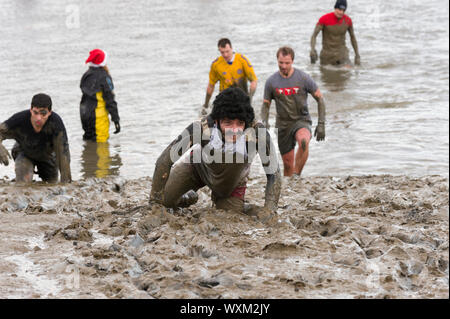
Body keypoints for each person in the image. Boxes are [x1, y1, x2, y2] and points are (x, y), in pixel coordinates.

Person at [151, 87, 281, 218]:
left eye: (239, 124)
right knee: (165, 201)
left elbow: (274, 174)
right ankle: (188, 197)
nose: (234, 131)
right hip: (196, 167)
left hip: (231, 182)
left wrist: (269, 209)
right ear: (217, 121)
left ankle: (235, 204)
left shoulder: (257, 133)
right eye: (228, 123)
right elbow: (165, 159)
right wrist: (154, 203)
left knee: (230, 216)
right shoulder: (202, 127)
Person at [261, 47, 326, 177]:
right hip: (283, 125)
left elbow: (320, 99)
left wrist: (321, 124)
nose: (284, 66)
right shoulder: (271, 82)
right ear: (277, 61)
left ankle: (297, 175)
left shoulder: (303, 78)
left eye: (287, 63)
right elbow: (266, 105)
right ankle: (289, 183)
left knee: (303, 141)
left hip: (301, 120)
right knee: (288, 164)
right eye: (281, 63)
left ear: (292, 61)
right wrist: (264, 123)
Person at [0, 93, 71, 183]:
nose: (38, 118)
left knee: (52, 185)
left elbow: (63, 153)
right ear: (31, 110)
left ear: (49, 112)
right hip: (25, 153)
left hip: (47, 157)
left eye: (43, 113)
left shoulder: (56, 123)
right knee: (23, 183)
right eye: (35, 113)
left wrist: (66, 183)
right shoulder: (19, 119)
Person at [202, 38, 258, 115]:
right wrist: (206, 105)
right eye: (222, 52)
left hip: (241, 97)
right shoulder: (216, 64)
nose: (225, 55)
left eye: (227, 51)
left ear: (231, 48)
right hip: (224, 98)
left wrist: (250, 99)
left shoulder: (242, 60)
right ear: (219, 51)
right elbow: (211, 86)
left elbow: (253, 81)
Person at [80, 49, 120, 143]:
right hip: (98, 116)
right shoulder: (104, 77)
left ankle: (88, 156)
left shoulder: (86, 75)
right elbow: (110, 100)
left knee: (89, 139)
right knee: (101, 143)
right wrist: (116, 119)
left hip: (84, 114)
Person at [310, 0, 361, 66]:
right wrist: (313, 49)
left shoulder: (348, 20)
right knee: (327, 74)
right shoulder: (324, 19)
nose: (341, 12)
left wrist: (357, 55)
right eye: (339, 9)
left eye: (343, 10)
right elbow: (314, 36)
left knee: (347, 72)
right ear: (335, 8)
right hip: (327, 56)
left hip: (342, 54)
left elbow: (353, 37)